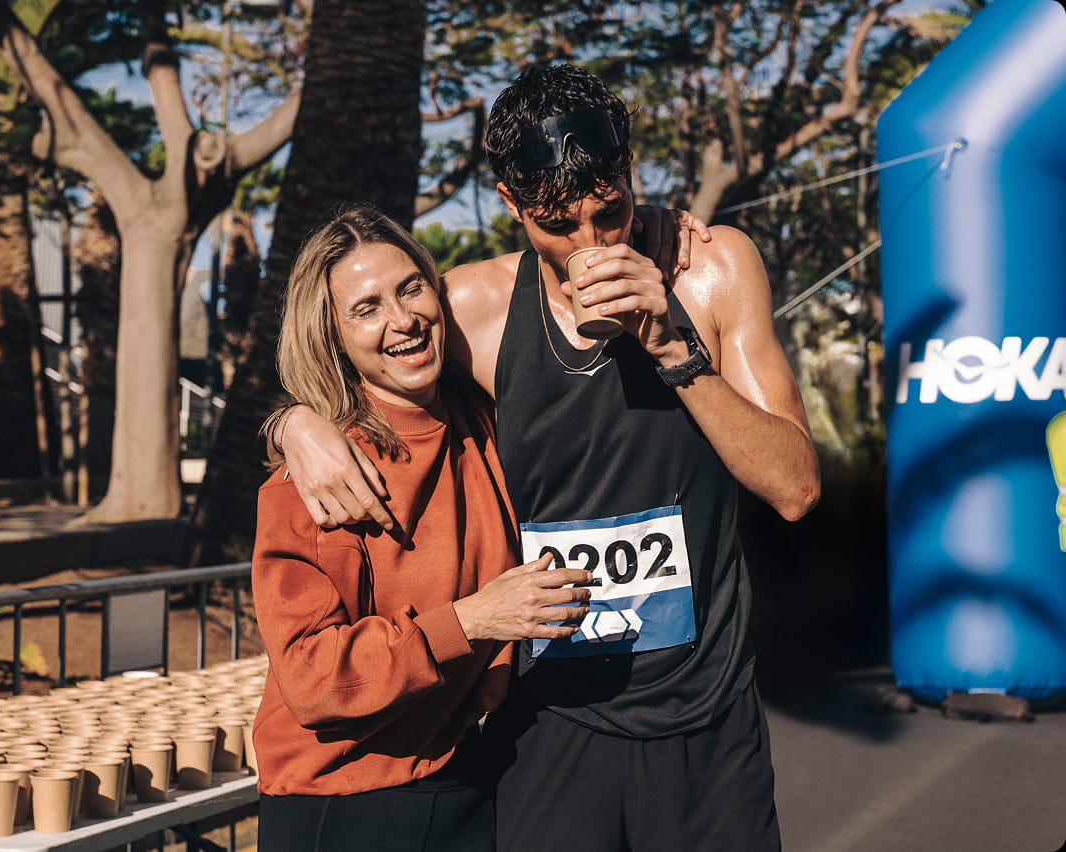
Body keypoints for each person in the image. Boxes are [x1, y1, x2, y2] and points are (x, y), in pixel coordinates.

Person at [276, 64, 820, 851]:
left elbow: (795, 486)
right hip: (552, 716)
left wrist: (671, 345)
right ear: (510, 206)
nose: (591, 246)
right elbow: (348, 354)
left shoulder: (711, 271)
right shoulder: (472, 311)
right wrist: (295, 423)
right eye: (557, 224)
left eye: (613, 212)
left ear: (633, 178)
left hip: (706, 711)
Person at [250, 202, 595, 851]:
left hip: (465, 769)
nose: (402, 319)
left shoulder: (481, 420)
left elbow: (558, 271)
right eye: (367, 307)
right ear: (335, 336)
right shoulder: (317, 482)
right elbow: (313, 678)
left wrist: (659, 230)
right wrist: (471, 621)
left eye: (411, 288)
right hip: (345, 800)